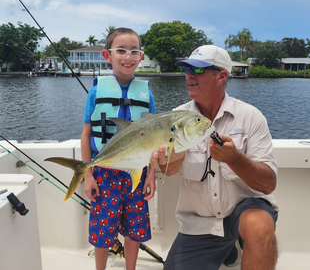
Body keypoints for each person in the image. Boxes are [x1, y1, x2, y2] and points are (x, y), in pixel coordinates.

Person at [151, 45, 279, 270]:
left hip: (243, 213)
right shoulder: (175, 118)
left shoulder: (250, 116)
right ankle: (227, 248)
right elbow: (169, 170)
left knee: (259, 226)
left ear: (221, 76)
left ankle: (234, 240)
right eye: (187, 69)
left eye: (198, 70)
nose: (189, 75)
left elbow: (268, 184)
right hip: (200, 224)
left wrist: (235, 159)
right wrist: (171, 160)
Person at [81, 27, 156, 270]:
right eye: (121, 50)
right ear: (107, 55)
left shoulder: (147, 94)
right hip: (104, 172)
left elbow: (154, 140)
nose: (128, 57)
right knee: (103, 229)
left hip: (137, 171)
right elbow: (86, 134)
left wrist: (152, 174)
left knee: (134, 229)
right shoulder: (95, 92)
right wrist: (88, 174)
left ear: (141, 57)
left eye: (134, 51)